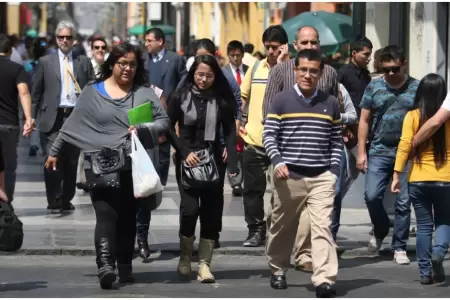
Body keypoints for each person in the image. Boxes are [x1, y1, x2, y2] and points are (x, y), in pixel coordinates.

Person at [45, 42, 170, 289]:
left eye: (132, 64)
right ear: (112, 64)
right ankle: (105, 264)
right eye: (122, 63)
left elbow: (164, 122)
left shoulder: (144, 93)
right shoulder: (92, 92)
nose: (127, 68)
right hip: (100, 163)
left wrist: (144, 128)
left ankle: (125, 265)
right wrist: (54, 152)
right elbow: (72, 125)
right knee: (105, 214)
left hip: (132, 166)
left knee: (127, 217)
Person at [263, 49, 342, 297]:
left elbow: (336, 140)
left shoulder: (330, 103)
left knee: (322, 228)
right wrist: (277, 161)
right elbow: (270, 135)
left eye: (313, 71)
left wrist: (333, 171)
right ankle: (277, 269)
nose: (308, 75)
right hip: (289, 176)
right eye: (303, 70)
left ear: (320, 73)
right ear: (295, 70)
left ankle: (324, 279)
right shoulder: (281, 100)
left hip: (321, 177)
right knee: (282, 226)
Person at [168, 54, 238, 283]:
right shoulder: (181, 96)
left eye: (209, 75)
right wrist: (183, 151)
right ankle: (185, 256)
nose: (204, 80)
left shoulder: (221, 99)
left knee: (211, 212)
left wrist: (233, 160)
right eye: (200, 75)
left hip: (213, 160)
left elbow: (229, 129)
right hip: (187, 160)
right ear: (193, 74)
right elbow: (168, 126)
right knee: (189, 210)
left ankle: (205, 265)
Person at [178, 38, 243, 248]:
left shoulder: (225, 79)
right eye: (199, 58)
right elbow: (175, 115)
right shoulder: (187, 81)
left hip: (217, 149)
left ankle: (211, 235)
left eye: (207, 57)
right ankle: (187, 240)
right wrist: (180, 147)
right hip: (190, 151)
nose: (204, 75)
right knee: (190, 204)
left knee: (213, 198)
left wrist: (228, 148)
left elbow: (235, 109)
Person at [357, 45, 419, 265]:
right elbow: (364, 120)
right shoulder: (374, 87)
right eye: (387, 70)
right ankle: (381, 228)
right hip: (379, 150)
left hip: (408, 153)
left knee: (403, 201)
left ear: (404, 64)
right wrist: (361, 152)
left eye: (395, 69)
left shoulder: (417, 87)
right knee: (372, 196)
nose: (391, 74)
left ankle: (399, 246)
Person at [391, 73, 450, 285]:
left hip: (418, 179)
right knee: (444, 220)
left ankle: (425, 273)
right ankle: (439, 252)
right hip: (446, 179)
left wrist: (397, 173)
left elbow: (405, 144)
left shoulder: (413, 116)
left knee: (424, 226)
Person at [32, 21, 95, 213]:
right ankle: (54, 198)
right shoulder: (45, 62)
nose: (65, 40)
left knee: (71, 161)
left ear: (74, 39)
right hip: (53, 118)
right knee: (53, 158)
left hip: (75, 118)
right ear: (56, 39)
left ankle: (66, 198)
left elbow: (93, 88)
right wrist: (31, 118)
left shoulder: (83, 61)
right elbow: (36, 93)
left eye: (68, 37)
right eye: (61, 37)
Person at [137, 28, 187, 259]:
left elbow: (182, 90)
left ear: (160, 41)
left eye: (149, 41)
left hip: (165, 131)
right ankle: (140, 237)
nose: (146, 44)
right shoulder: (140, 62)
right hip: (140, 135)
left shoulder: (175, 60)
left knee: (157, 184)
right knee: (142, 190)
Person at [240, 25, 290, 247]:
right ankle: (255, 230)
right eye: (268, 47)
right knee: (252, 190)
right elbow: (243, 97)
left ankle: (276, 229)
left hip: (283, 143)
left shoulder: (293, 70)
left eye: (275, 47)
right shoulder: (256, 68)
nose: (271, 52)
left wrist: (282, 65)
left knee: (282, 192)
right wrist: (238, 123)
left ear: (284, 47)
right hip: (254, 140)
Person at [0, 34, 34, 204]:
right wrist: (28, 118)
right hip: (9, 124)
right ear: (11, 50)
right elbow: (24, 93)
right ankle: (7, 203)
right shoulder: (17, 69)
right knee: (9, 166)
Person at [331, 83, 358, 241]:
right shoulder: (305, 88)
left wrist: (338, 117)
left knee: (336, 190)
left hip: (336, 146)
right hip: (311, 148)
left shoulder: (340, 88)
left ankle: (332, 235)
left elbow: (353, 115)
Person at [337, 37, 373, 117]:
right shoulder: (343, 73)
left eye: (370, 54)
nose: (369, 58)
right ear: (354, 53)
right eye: (366, 54)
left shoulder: (366, 74)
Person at [26, 37, 48, 157]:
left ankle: (33, 144)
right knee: (43, 123)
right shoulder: (48, 63)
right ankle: (45, 148)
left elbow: (27, 81)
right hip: (44, 96)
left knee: (32, 120)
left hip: (32, 96)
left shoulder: (30, 65)